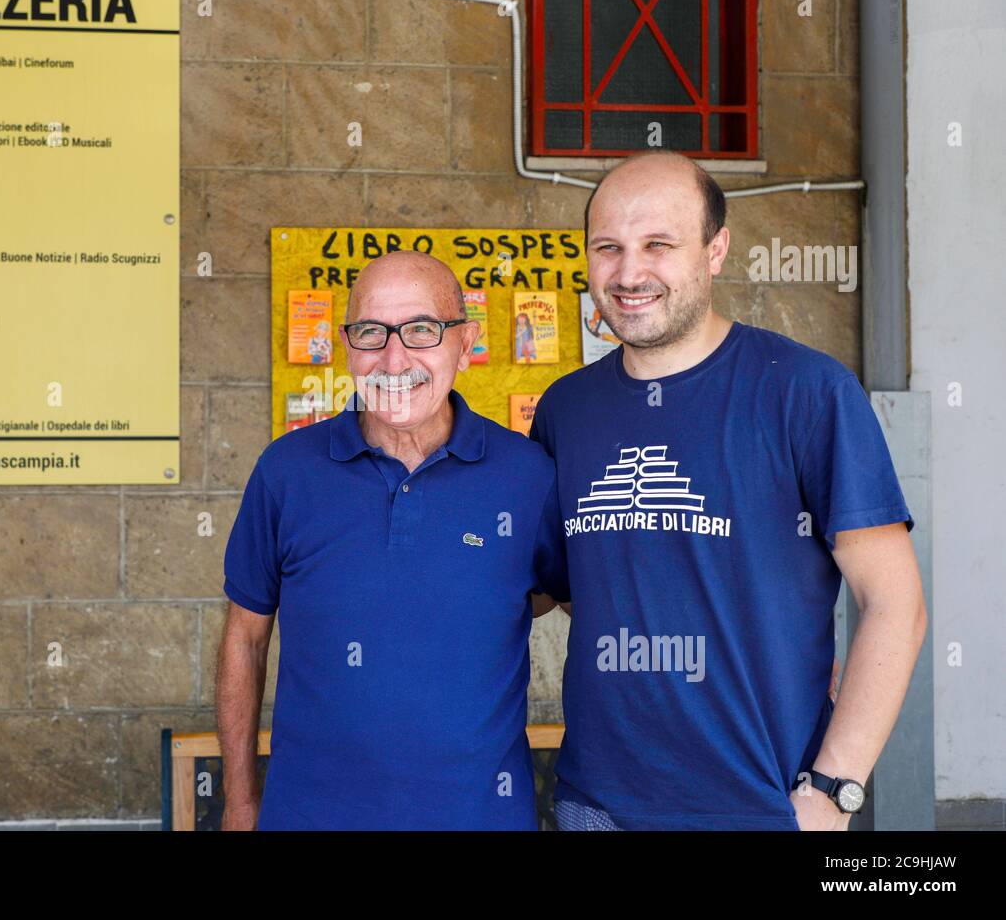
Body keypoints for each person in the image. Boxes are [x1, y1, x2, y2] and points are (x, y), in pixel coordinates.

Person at [530, 150, 927, 831]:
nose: (629, 273)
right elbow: (561, 586)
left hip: (760, 805)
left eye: (659, 244)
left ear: (716, 251)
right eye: (608, 248)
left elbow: (895, 604)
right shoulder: (567, 409)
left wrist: (834, 791)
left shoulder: (806, 391)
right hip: (595, 804)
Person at [216, 250, 568, 830]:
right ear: (346, 345)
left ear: (465, 342)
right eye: (371, 333)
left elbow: (567, 598)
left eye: (422, 330)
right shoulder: (286, 472)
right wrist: (240, 802)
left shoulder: (528, 476)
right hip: (308, 817)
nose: (394, 357)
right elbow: (244, 640)